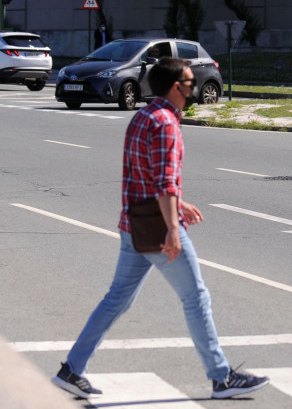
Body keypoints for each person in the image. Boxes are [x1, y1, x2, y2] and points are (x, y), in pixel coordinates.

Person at [51, 57, 269, 401]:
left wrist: (177, 202)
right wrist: (172, 227)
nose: (193, 86)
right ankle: (221, 378)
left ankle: (71, 369)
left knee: (116, 300)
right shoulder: (166, 123)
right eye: (187, 81)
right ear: (173, 87)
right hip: (157, 229)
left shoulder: (143, 116)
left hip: (133, 225)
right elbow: (165, 182)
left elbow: (144, 174)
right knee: (196, 298)